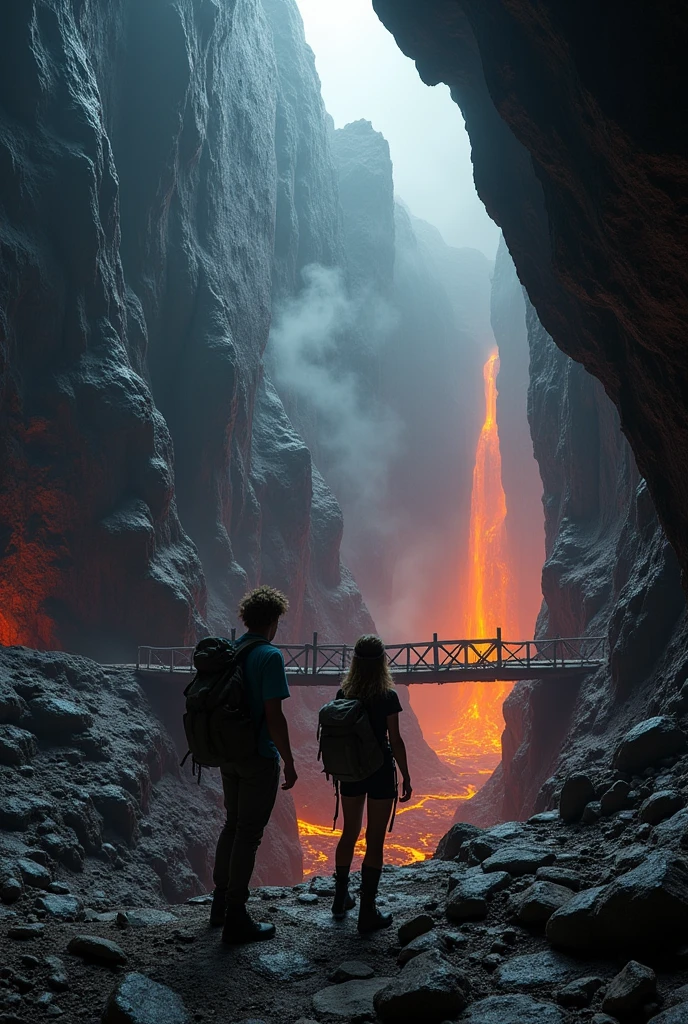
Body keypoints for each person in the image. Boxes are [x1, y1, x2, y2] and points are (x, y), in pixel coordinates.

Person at [210, 585, 297, 944]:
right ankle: (236, 917)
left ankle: (218, 906)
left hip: (227, 754)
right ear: (274, 620)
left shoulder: (232, 651)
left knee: (231, 825)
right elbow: (274, 717)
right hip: (258, 756)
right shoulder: (269, 656)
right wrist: (289, 761)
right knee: (249, 833)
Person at [331, 633, 413, 932]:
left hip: (351, 772)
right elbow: (396, 739)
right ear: (382, 663)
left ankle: (340, 900)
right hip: (380, 772)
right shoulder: (388, 697)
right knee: (374, 838)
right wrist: (405, 775)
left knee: (349, 832)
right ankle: (368, 912)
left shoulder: (343, 694)